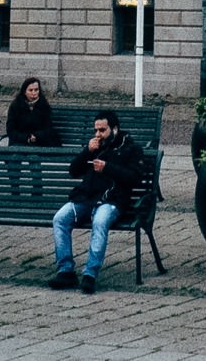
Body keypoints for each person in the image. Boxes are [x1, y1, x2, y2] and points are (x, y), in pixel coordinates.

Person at [48, 109, 142, 294]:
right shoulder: (94, 146)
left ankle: (90, 273)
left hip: (112, 200)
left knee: (99, 222)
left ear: (114, 129)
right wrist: (86, 152)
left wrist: (108, 168)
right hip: (86, 197)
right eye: (96, 130)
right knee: (60, 219)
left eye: (102, 130)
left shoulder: (130, 148)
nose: (98, 135)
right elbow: (73, 171)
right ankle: (66, 270)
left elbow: (135, 177)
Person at [6, 77, 61, 147]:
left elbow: (48, 128)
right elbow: (11, 130)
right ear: (24, 92)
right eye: (30, 90)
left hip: (41, 142)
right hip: (20, 142)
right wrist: (27, 137)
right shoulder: (16, 106)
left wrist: (36, 136)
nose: (33, 93)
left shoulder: (44, 105)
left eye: (36, 90)